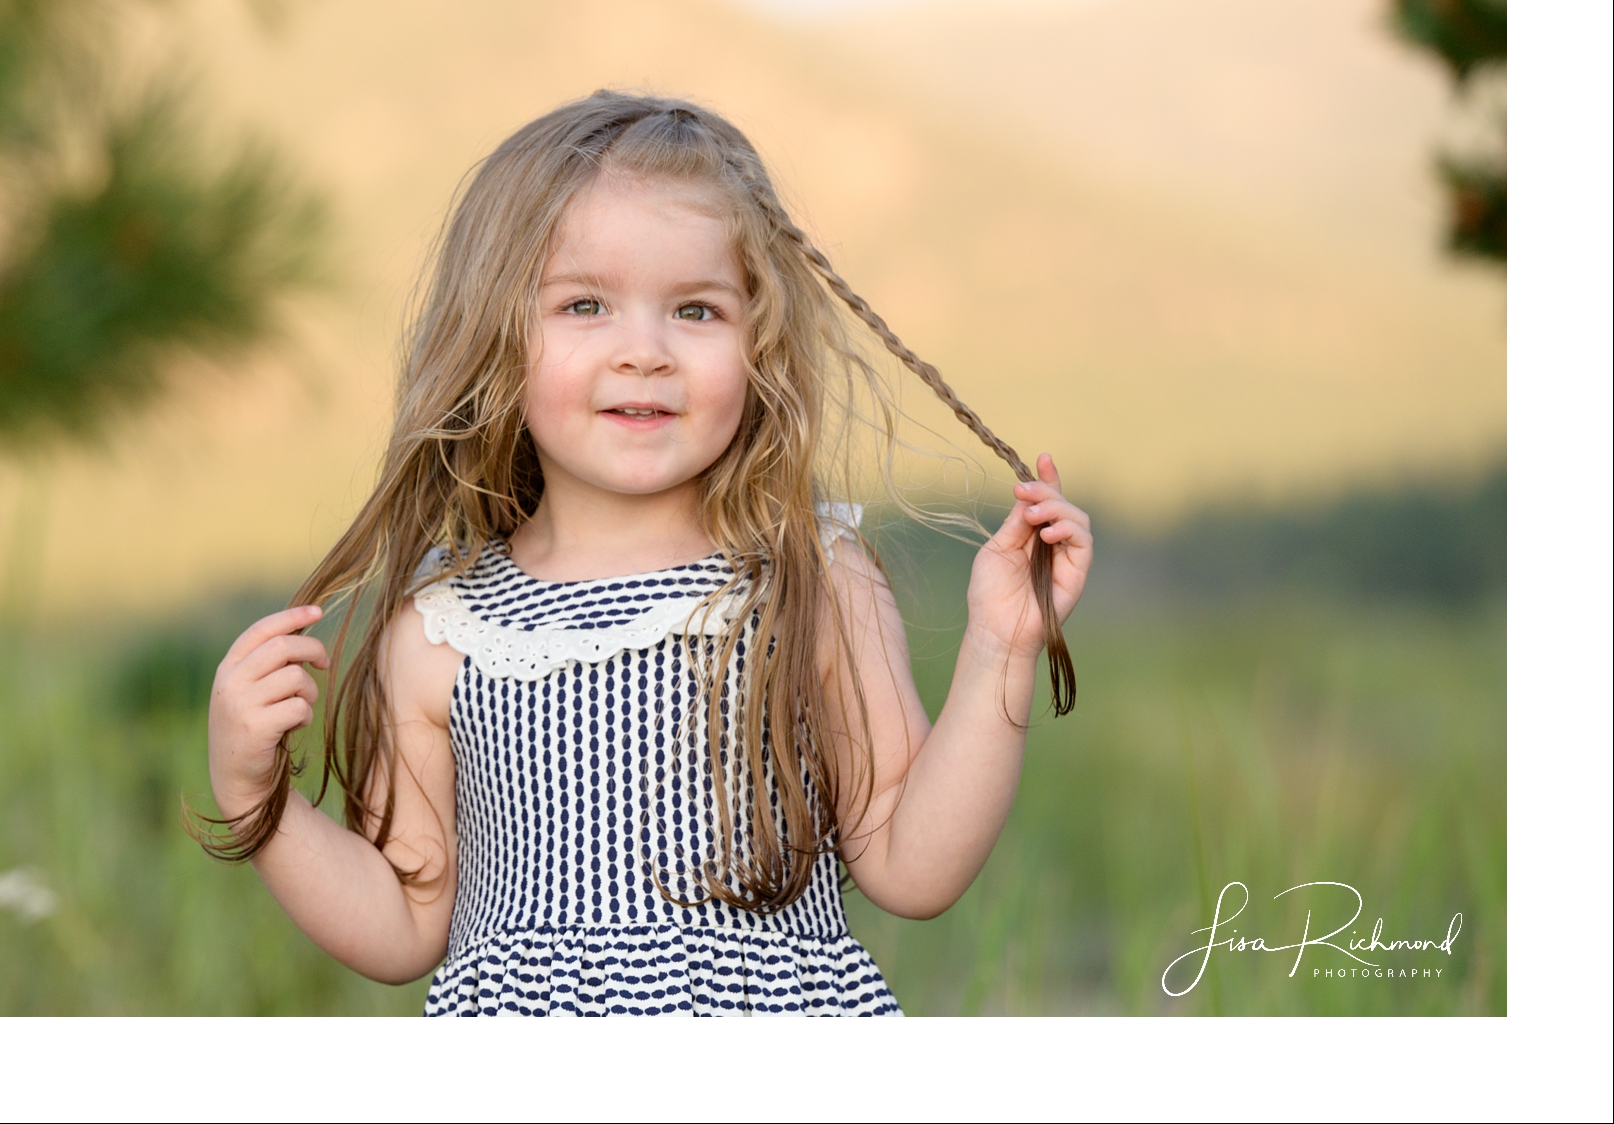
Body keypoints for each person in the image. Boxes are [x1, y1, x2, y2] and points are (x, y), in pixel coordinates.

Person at [198, 91, 1094, 1015]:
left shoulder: (811, 578)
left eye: (696, 311)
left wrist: (1001, 648)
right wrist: (256, 795)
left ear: (761, 341)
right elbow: (401, 925)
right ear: (497, 337)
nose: (645, 351)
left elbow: (915, 866)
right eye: (585, 304)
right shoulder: (442, 631)